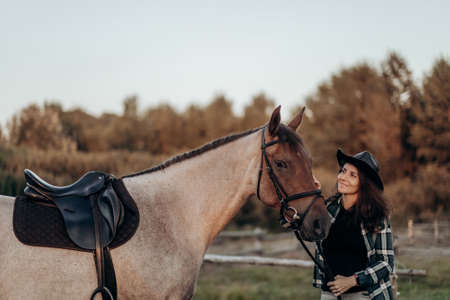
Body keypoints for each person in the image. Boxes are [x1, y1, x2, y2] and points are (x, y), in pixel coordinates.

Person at [312, 149, 394, 300]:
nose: (343, 177)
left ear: (364, 184)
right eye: (343, 171)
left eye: (352, 175)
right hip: (329, 294)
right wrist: (312, 196)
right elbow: (304, 228)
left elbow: (386, 263)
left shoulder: (376, 216)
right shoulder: (329, 208)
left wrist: (353, 280)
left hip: (363, 295)